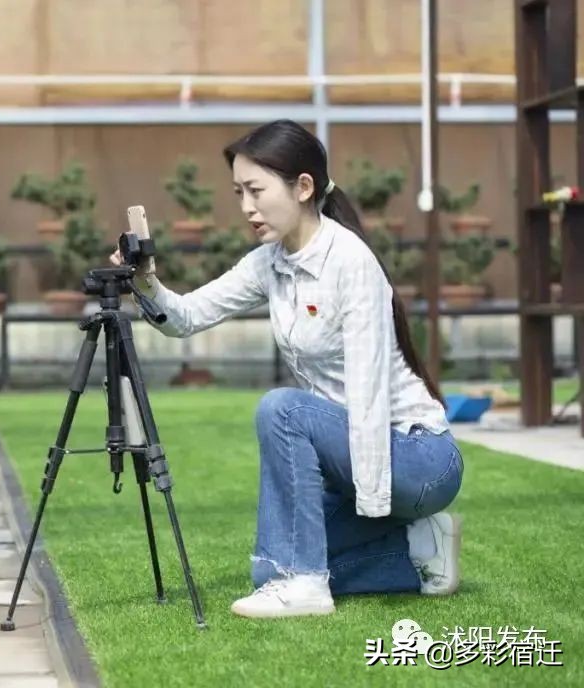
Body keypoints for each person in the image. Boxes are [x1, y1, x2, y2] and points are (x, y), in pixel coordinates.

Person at [110, 119, 464, 619]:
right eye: (239, 192)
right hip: (353, 457)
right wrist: (144, 281)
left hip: (418, 459)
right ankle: (414, 550)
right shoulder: (268, 263)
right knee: (269, 569)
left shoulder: (351, 263)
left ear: (303, 187)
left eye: (256, 190)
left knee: (283, 410)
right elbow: (186, 317)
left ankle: (310, 582)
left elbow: (366, 396)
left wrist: (372, 503)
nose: (246, 207)